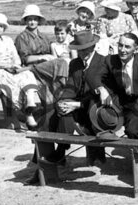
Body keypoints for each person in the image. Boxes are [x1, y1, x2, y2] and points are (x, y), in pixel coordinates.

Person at [43, 30, 113, 172]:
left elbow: (103, 94)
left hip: (96, 106)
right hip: (77, 105)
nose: (83, 53)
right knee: (57, 112)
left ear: (93, 47)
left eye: (86, 50)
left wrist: (77, 104)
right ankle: (58, 152)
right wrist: (63, 102)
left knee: (80, 111)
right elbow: (70, 87)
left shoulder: (104, 62)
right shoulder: (75, 63)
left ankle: (61, 151)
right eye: (79, 50)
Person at [0, 13, 43, 128]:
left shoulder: (7, 40)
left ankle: (30, 102)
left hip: (9, 69)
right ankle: (28, 115)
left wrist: (16, 66)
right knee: (14, 82)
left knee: (27, 74)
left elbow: (15, 57)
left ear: (4, 28)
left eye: (0, 26)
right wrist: (6, 66)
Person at [103, 32, 138, 138]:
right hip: (119, 101)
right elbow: (97, 76)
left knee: (132, 130)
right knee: (100, 121)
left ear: (136, 49)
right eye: (120, 45)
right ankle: (97, 154)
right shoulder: (110, 60)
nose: (122, 50)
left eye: (127, 47)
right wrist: (101, 89)